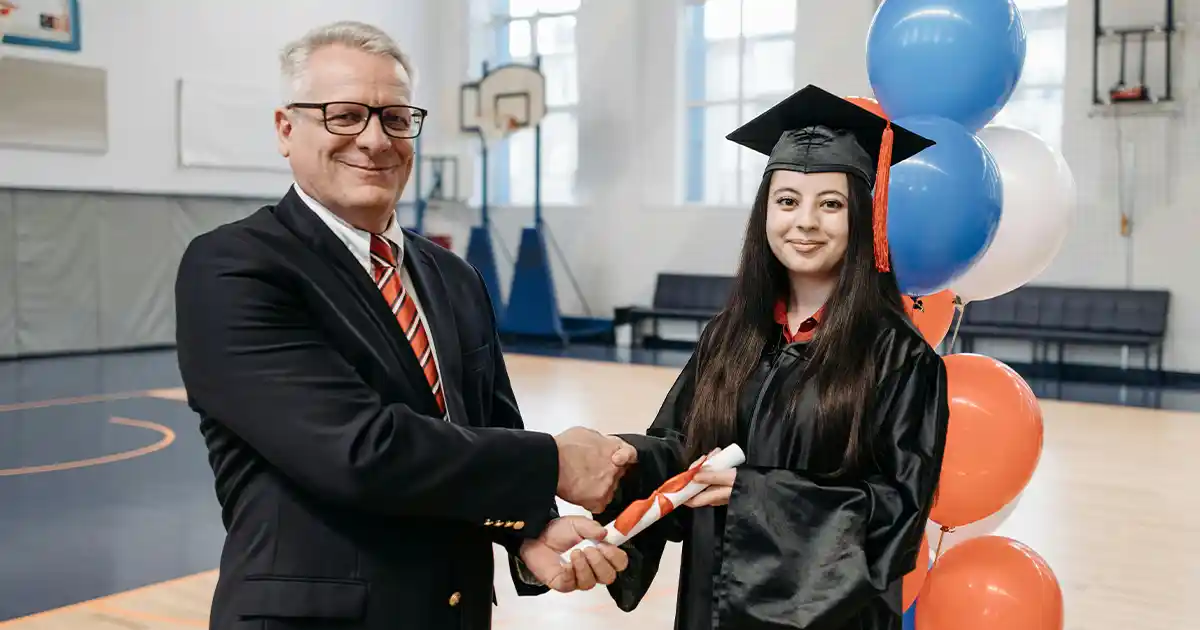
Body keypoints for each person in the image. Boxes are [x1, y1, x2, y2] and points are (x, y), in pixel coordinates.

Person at [174, 21, 631, 630]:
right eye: (344, 115)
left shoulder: (453, 275)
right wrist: (553, 461)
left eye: (394, 118)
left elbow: (488, 426)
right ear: (286, 129)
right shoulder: (236, 266)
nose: (373, 139)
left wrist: (531, 530)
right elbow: (358, 450)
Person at [596, 85, 950, 630]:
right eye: (787, 201)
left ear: (862, 218)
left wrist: (753, 495)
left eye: (830, 203)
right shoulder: (728, 337)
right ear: (765, 213)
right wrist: (620, 461)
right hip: (710, 607)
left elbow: (896, 515)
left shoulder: (900, 359)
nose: (804, 221)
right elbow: (683, 456)